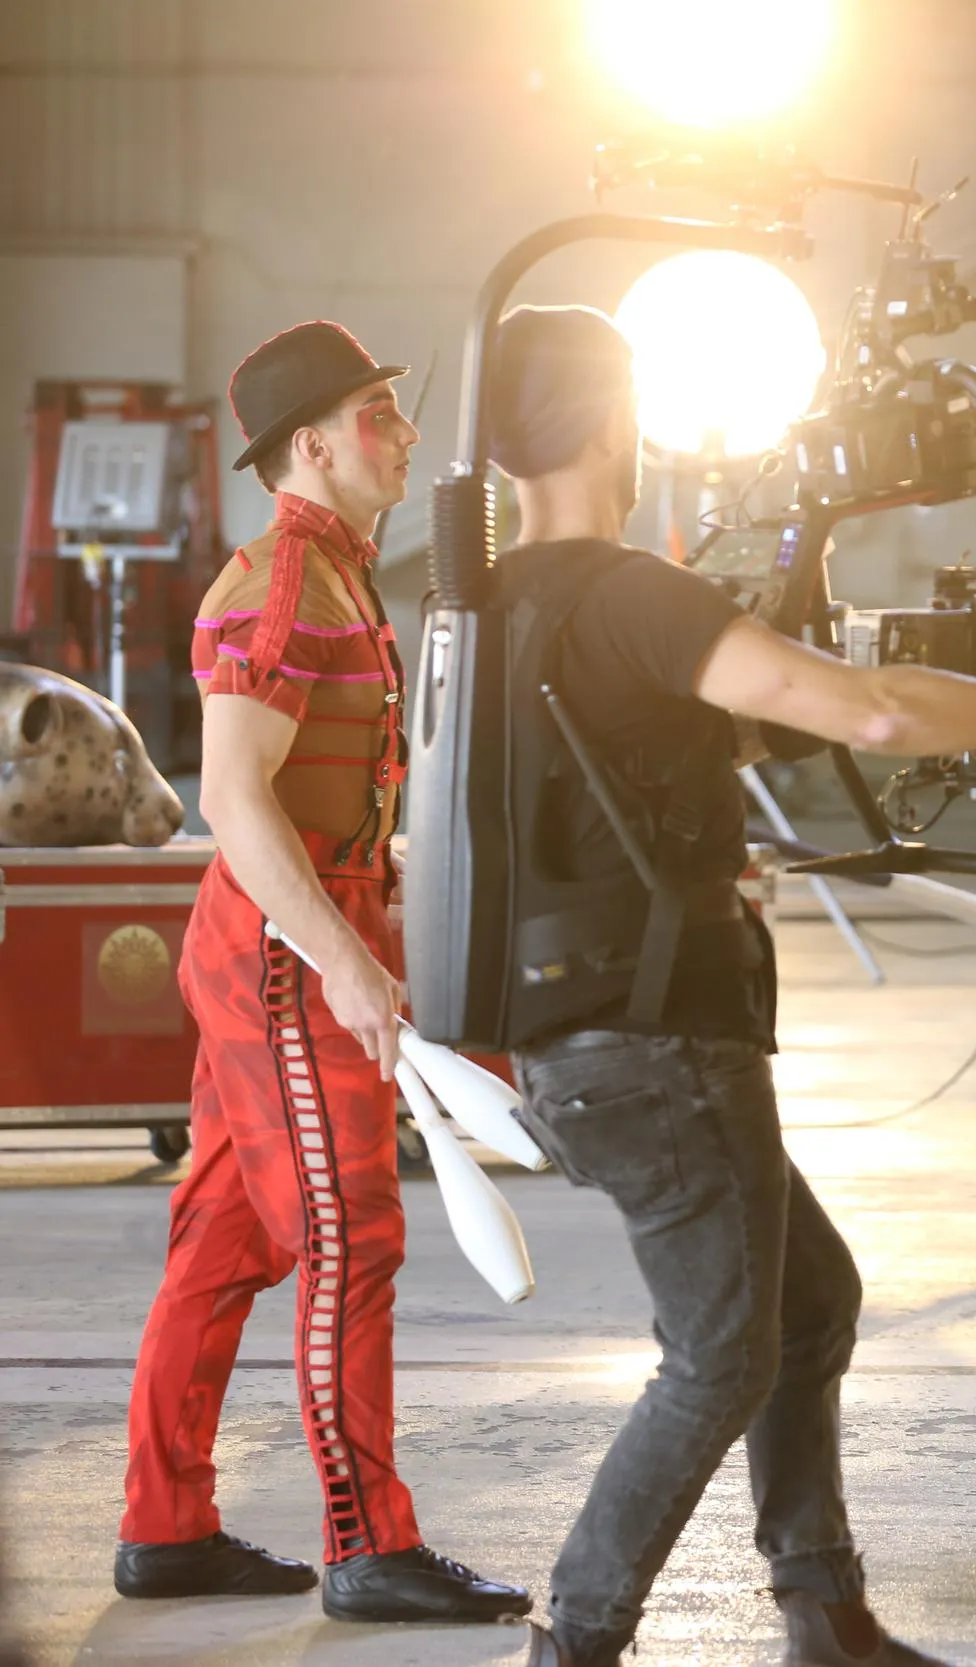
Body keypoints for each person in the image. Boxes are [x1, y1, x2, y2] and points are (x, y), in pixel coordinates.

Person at [478, 306, 976, 1667]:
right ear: (614, 422)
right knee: (723, 1352)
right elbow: (873, 709)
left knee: (809, 1302)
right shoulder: (629, 594)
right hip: (658, 1039)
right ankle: (580, 1636)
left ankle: (824, 1611)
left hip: (575, 1034)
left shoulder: (492, 604)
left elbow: (646, 762)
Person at [118, 322, 530, 1622]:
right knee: (351, 1232)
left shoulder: (341, 571)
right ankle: (369, 1545)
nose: (403, 433)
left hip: (297, 922)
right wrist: (343, 957)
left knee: (225, 1236)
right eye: (377, 414)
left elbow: (307, 782)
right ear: (312, 444)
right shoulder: (283, 580)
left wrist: (376, 862)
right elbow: (234, 798)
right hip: (282, 947)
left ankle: (165, 1526)